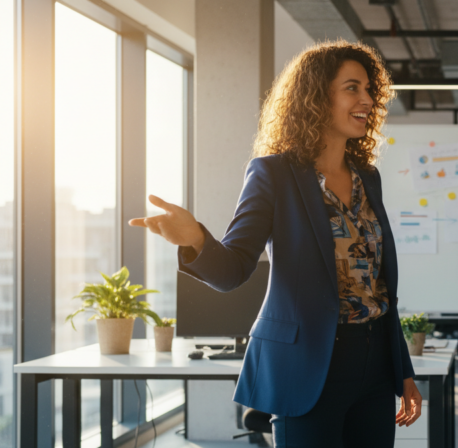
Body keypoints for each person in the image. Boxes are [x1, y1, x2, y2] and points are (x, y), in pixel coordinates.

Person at [130, 40, 421, 447]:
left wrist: (402, 372)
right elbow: (232, 271)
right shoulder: (273, 175)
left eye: (370, 90)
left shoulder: (367, 176)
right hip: (306, 367)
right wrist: (195, 237)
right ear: (317, 96)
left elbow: (379, 288)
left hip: (374, 368)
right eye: (353, 88)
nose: (368, 100)